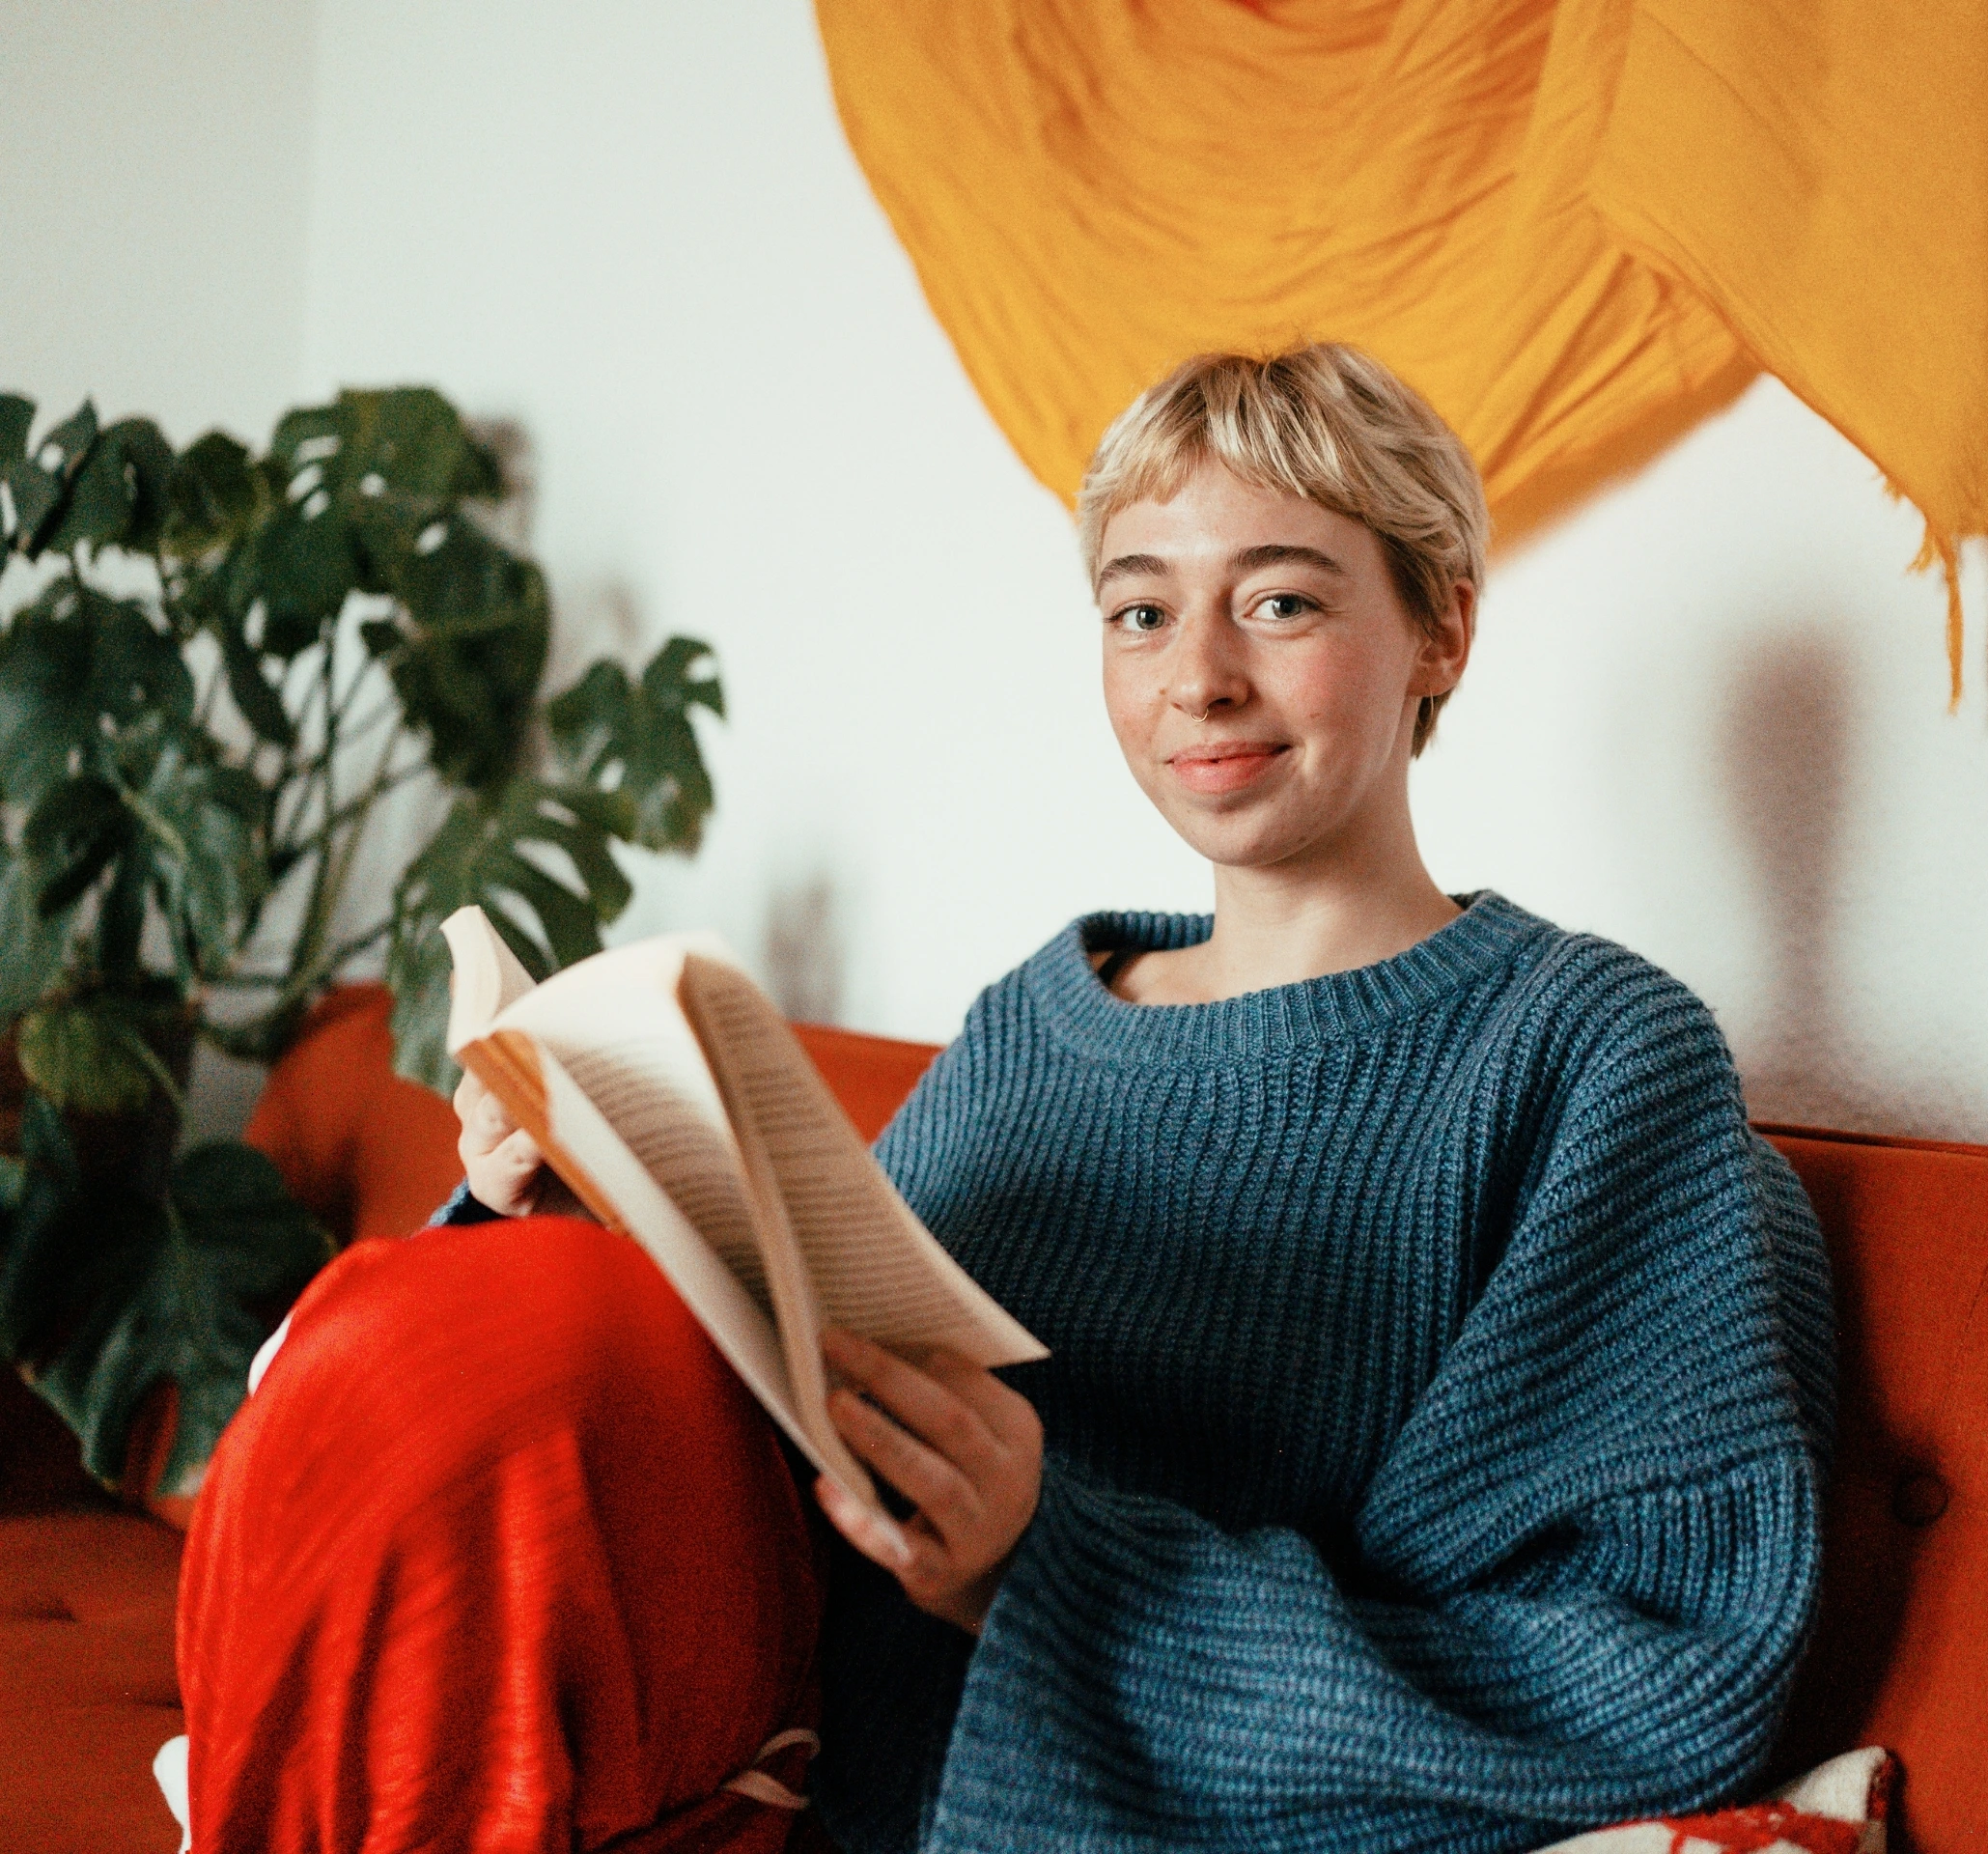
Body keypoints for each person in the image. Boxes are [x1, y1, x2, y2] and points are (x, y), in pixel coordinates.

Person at [174, 344, 1834, 1854]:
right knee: (440, 1336)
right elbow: (795, 1383)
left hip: (1022, 1794)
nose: (1197, 677)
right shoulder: (1043, 1019)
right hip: (746, 1697)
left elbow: (1652, 1674)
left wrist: (1041, 1564)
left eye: (1280, 602)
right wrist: (563, 1188)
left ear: (1442, 628)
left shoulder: (1583, 1059)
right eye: (1140, 610)